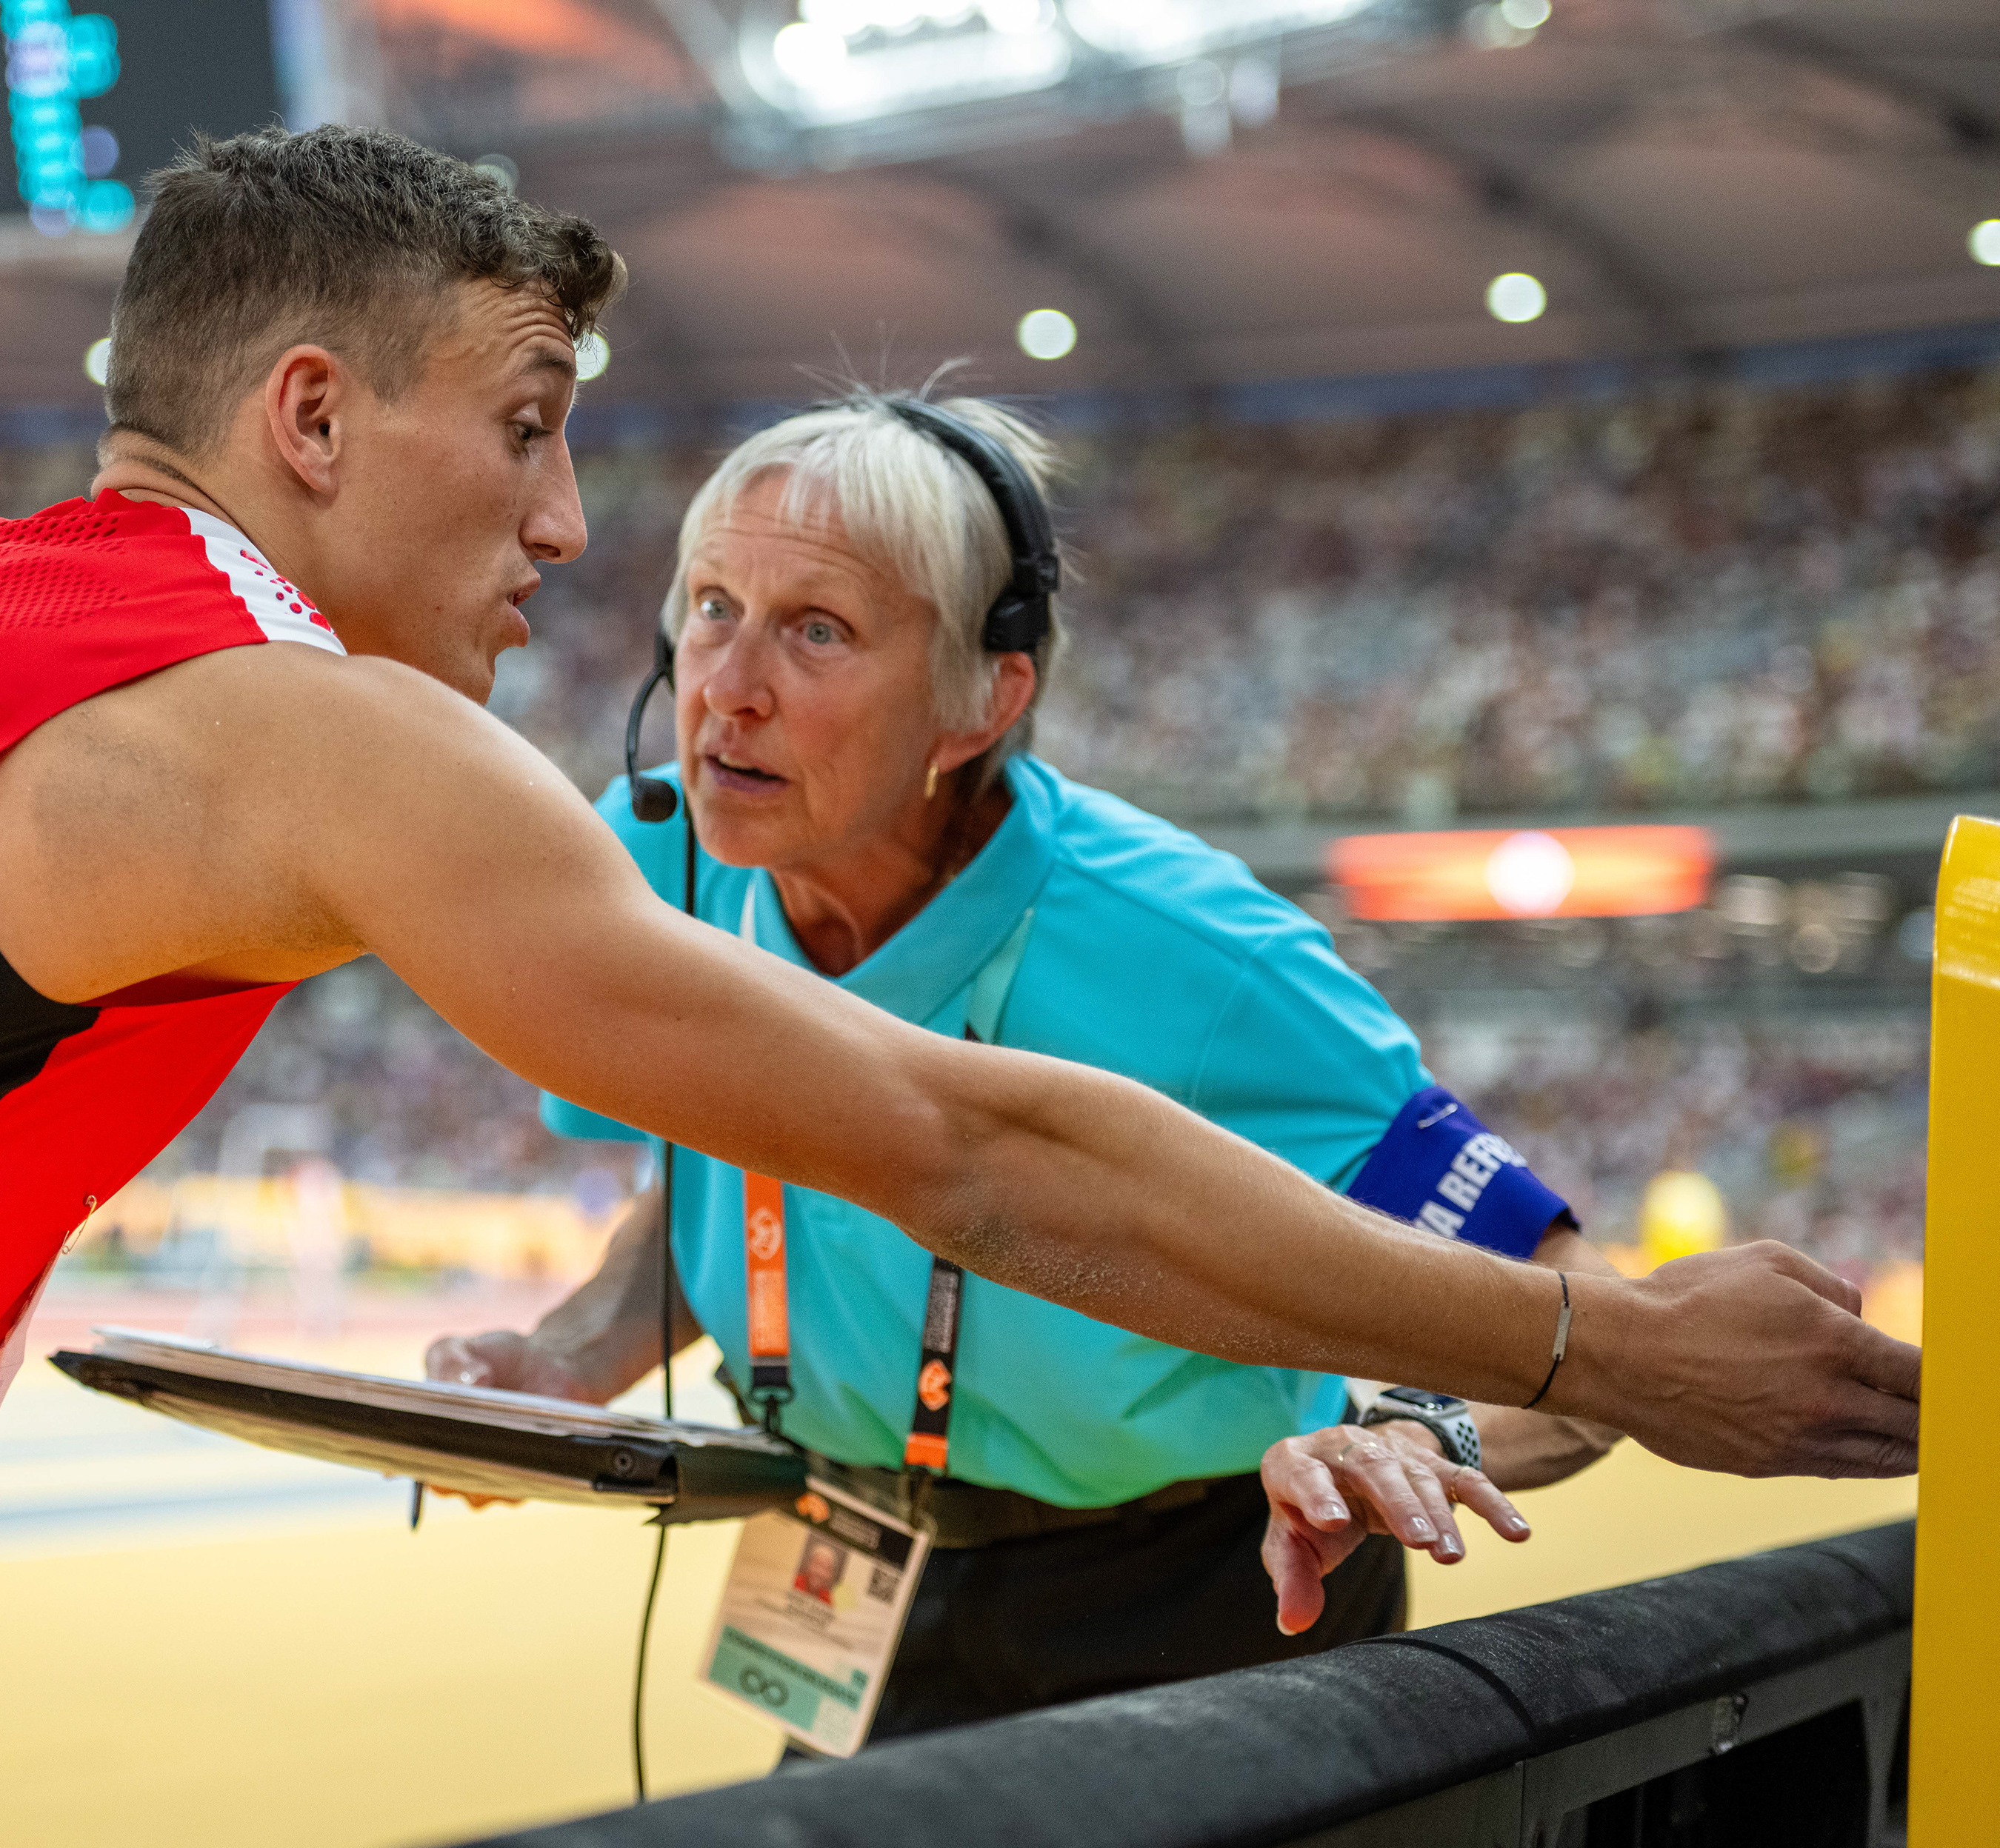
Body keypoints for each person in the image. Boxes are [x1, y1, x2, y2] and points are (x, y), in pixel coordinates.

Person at [0, 125, 1913, 1848]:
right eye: (526, 427)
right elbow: (954, 1147)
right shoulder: (283, 729)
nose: (572, 529)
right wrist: (1597, 1341)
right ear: (312, 416)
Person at [428, 396, 1628, 1746]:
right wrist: (569, 1355)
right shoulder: (658, 864)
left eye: (818, 631)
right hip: (853, 1563)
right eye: (712, 609)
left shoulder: (1196, 952)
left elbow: (1571, 1297)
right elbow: (719, 1172)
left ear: (981, 702)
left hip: (1208, 1589)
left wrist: (1411, 1441)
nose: (728, 688)